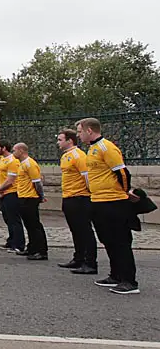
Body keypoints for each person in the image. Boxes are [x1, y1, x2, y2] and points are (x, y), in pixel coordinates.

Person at [76, 118, 141, 294]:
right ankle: (116, 275)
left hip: (113, 201)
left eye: (80, 131)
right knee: (108, 240)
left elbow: (121, 172)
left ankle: (129, 281)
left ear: (89, 130)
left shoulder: (107, 147)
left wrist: (125, 192)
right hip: (97, 200)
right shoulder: (91, 149)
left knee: (120, 241)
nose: (78, 135)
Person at [57, 129, 98, 274]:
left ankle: (90, 262)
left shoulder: (78, 155)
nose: (58, 142)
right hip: (68, 196)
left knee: (84, 230)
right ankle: (78, 257)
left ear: (70, 140)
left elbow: (87, 176)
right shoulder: (65, 156)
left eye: (60, 139)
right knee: (75, 230)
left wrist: (89, 193)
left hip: (79, 197)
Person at [13, 143, 48, 260]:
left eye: (14, 151)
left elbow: (37, 182)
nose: (13, 153)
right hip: (22, 197)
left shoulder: (30, 163)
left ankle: (41, 251)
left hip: (30, 198)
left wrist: (41, 196)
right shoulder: (21, 164)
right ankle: (32, 248)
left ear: (21, 151)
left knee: (35, 225)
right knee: (28, 225)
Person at [0, 140, 25, 252]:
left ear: (4, 148)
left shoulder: (13, 161)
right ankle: (11, 240)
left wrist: (0, 188)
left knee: (14, 219)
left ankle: (19, 244)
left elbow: (11, 180)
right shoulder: (2, 159)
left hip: (11, 192)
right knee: (7, 218)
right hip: (2, 193)